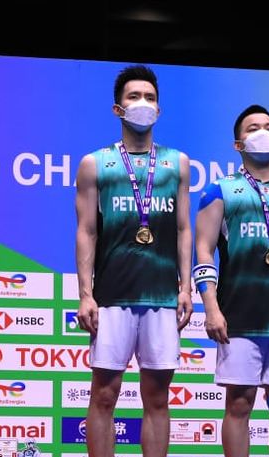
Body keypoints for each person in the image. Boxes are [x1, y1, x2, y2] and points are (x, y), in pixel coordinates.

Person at [75, 64, 192, 457]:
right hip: (111, 296)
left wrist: (186, 287)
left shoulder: (178, 163)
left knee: (157, 399)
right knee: (104, 396)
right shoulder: (95, 164)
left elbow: (182, 229)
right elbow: (87, 230)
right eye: (134, 97)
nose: (143, 104)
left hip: (160, 296)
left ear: (159, 109)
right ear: (117, 109)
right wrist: (85, 294)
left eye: (150, 98)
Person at [194, 105, 269, 457]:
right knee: (238, 405)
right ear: (238, 144)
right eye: (253, 127)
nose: (263, 131)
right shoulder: (220, 192)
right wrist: (211, 308)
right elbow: (204, 253)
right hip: (238, 320)